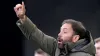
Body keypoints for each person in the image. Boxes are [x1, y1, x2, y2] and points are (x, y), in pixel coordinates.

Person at [14, 1, 96, 56]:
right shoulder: (57, 48)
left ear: (75, 38)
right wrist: (23, 18)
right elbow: (37, 34)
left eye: (65, 32)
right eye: (60, 31)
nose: (59, 34)